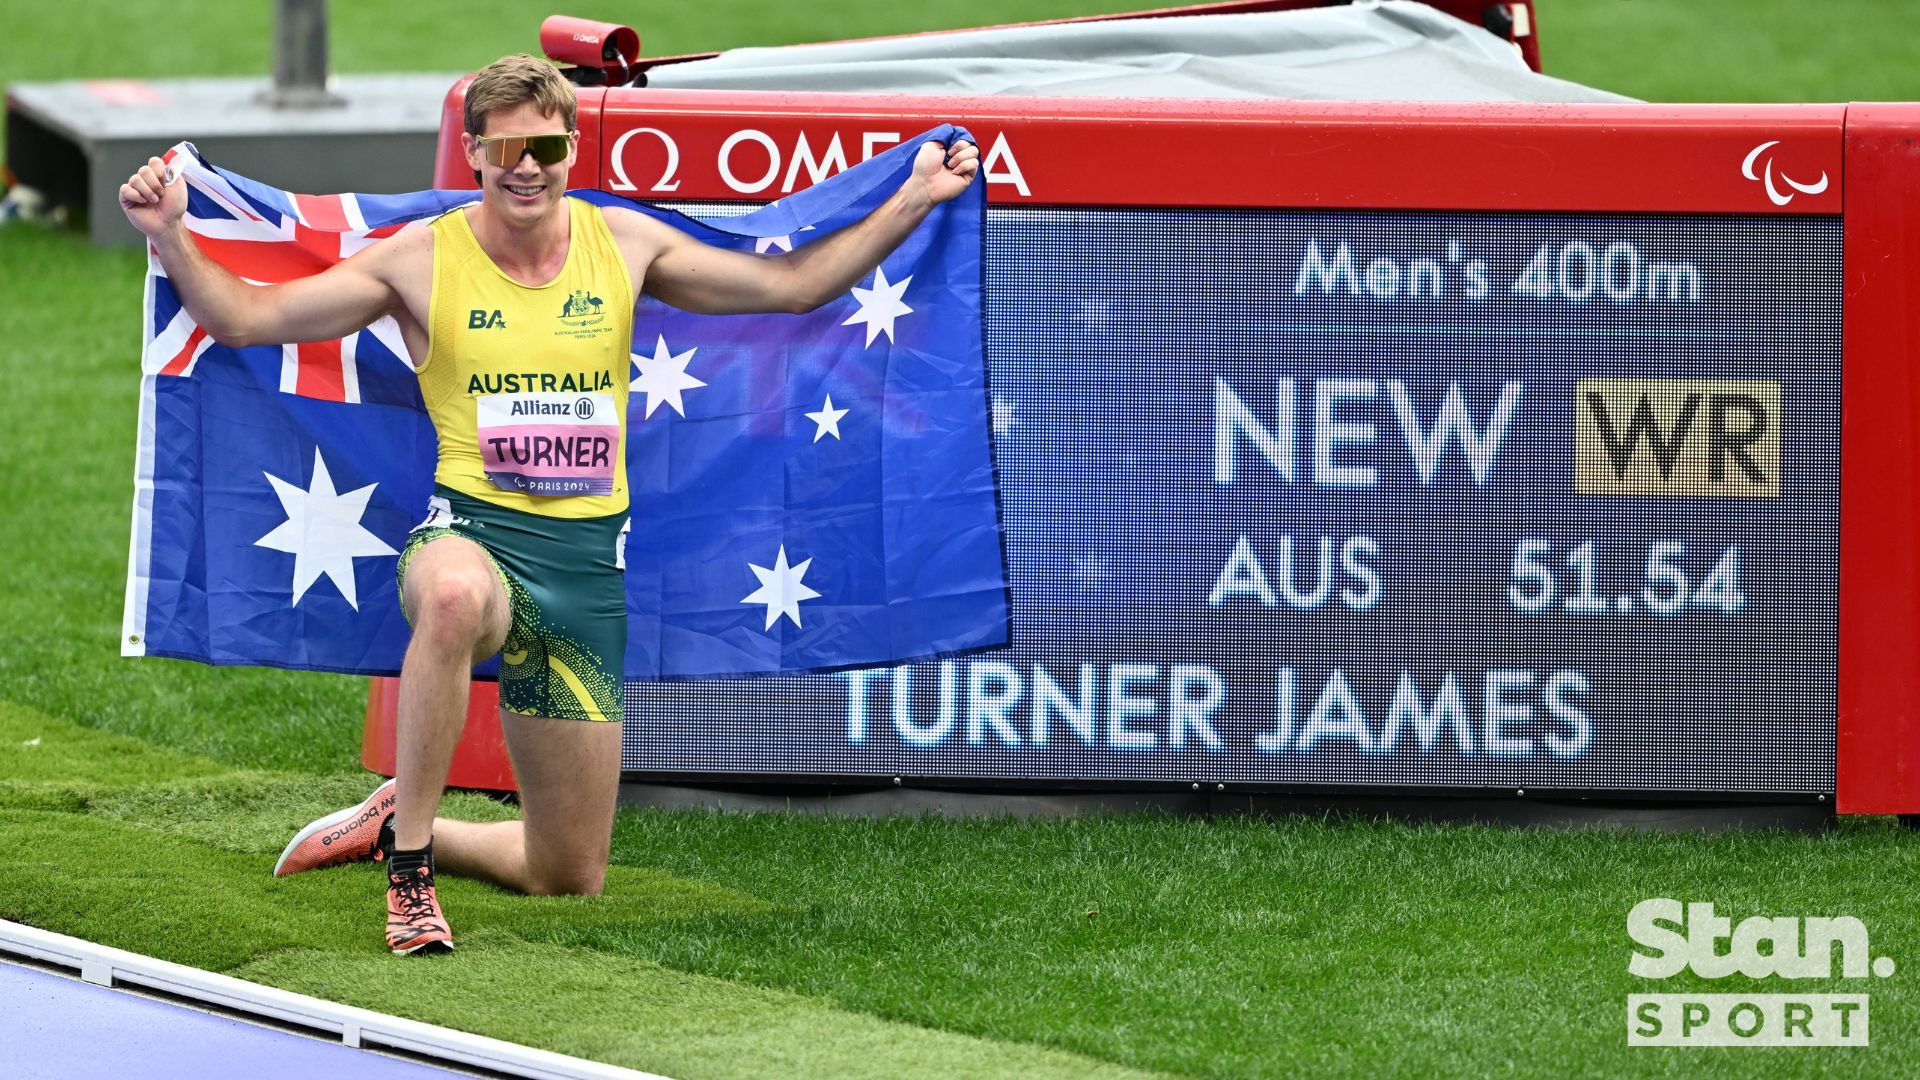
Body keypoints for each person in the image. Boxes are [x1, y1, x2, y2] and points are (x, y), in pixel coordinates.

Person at [119, 54, 979, 955]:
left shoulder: (627, 245)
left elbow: (794, 285)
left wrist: (914, 194)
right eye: (504, 149)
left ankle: (394, 827)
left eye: (545, 145)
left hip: (582, 571)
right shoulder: (421, 259)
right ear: (478, 154)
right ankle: (411, 875)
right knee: (452, 599)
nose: (525, 166)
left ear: (570, 147)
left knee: (565, 873)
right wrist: (172, 235)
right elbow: (252, 319)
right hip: (470, 538)